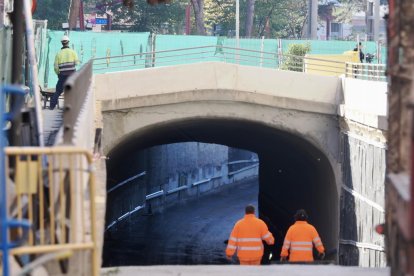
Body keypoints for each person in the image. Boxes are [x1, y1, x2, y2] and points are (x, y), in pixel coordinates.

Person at [50, 35, 79, 110]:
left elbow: (56, 67)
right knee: (72, 90)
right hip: (72, 75)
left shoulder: (58, 54)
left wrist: (58, 74)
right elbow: (77, 63)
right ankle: (72, 106)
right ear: (68, 42)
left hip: (62, 75)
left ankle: (52, 106)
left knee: (58, 91)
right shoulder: (73, 52)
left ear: (61, 43)